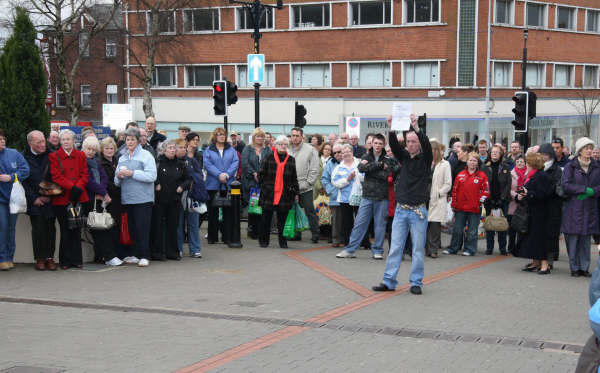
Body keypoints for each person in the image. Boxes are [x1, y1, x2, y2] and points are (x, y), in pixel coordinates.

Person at [372, 115, 432, 295]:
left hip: (418, 211)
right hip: (401, 210)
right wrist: (391, 128)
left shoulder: (425, 159)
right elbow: (395, 146)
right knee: (395, 248)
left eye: (414, 141)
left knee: (417, 250)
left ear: (419, 143)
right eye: (409, 142)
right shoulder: (404, 157)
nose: (412, 144)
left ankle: (416, 282)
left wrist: (416, 127)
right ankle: (388, 281)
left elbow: (427, 145)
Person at [336, 134, 395, 260]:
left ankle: (377, 250)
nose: (378, 145)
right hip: (367, 196)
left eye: (380, 143)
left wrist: (370, 169)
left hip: (382, 197)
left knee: (380, 225)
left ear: (383, 145)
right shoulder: (366, 156)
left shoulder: (387, 158)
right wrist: (378, 165)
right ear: (372, 144)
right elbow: (361, 168)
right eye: (376, 143)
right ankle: (350, 249)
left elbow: (386, 175)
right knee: (359, 223)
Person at [115, 127, 157, 267]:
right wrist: (119, 176)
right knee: (131, 228)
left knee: (142, 228)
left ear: (138, 141)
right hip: (127, 198)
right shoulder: (122, 157)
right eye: (127, 139)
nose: (130, 142)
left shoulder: (146, 156)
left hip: (143, 199)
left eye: (133, 139)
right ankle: (135, 254)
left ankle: (145, 255)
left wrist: (132, 173)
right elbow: (116, 181)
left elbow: (152, 176)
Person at [49, 129, 88, 270]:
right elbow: (56, 176)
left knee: (76, 230)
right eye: (63, 139)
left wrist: (78, 187)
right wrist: (72, 187)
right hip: (62, 199)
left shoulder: (81, 155)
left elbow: (85, 173)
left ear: (73, 140)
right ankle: (65, 260)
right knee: (65, 229)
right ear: (60, 141)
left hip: (78, 198)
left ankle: (77, 260)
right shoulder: (54, 156)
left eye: (68, 139)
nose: (66, 142)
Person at [561, 137, 600, 277]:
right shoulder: (570, 167)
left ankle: (584, 267)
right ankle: (574, 267)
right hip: (574, 207)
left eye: (591, 148)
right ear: (579, 151)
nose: (589, 151)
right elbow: (566, 185)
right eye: (586, 148)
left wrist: (593, 191)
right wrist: (583, 190)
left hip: (590, 207)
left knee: (585, 240)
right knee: (573, 239)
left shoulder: (596, 166)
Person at [82, 136, 121, 266]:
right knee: (99, 229)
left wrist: (102, 192)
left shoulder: (95, 162)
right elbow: (88, 181)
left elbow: (103, 177)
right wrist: (103, 193)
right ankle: (108, 256)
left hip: (99, 199)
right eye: (89, 149)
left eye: (93, 149)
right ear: (84, 148)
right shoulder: (82, 162)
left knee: (103, 228)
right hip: (88, 199)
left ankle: (108, 256)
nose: (91, 152)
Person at [513, 152, 554, 274]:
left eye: (527, 162)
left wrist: (528, 193)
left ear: (532, 163)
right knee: (533, 238)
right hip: (532, 211)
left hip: (540, 213)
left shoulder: (541, 176)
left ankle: (544, 264)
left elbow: (544, 194)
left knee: (540, 239)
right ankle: (536, 262)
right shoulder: (532, 175)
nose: (525, 164)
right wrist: (521, 196)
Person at [443, 152, 489, 257]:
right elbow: (454, 190)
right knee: (457, 230)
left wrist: (480, 202)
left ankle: (470, 249)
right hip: (460, 208)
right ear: (467, 162)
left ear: (477, 163)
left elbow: (486, 191)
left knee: (472, 231)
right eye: (470, 160)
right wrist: (453, 204)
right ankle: (453, 248)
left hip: (474, 209)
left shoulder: (482, 176)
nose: (472, 162)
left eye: (474, 161)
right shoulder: (460, 175)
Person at [22, 131, 56, 271]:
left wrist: (49, 194)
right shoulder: (23, 157)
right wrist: (34, 198)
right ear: (31, 144)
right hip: (34, 200)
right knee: (38, 229)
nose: (43, 145)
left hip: (50, 199)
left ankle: (50, 258)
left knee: (50, 229)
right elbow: (23, 181)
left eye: (43, 141)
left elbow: (57, 176)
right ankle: (40, 258)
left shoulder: (52, 154)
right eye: (39, 142)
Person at [258, 135, 299, 248]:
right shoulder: (268, 157)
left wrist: (295, 192)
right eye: (281, 144)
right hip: (269, 193)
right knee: (266, 218)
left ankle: (283, 242)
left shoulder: (291, 160)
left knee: (282, 220)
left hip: (284, 194)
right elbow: (261, 174)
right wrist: (265, 187)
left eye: (285, 145)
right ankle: (263, 241)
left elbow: (294, 177)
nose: (283, 146)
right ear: (276, 146)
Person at [152, 140, 191, 260]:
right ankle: (157, 252)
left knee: (173, 227)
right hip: (160, 200)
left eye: (174, 147)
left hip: (174, 200)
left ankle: (172, 252)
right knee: (158, 227)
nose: (173, 150)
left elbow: (188, 179)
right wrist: (156, 183)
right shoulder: (158, 163)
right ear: (164, 150)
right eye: (170, 148)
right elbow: (152, 175)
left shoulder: (181, 164)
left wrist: (182, 187)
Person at [0, 130, 30, 271]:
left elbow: (25, 170)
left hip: (13, 199)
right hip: (1, 200)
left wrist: (12, 177)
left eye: (3, 139)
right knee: (3, 227)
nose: (2, 141)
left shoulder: (14, 153)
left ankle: (9, 258)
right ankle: (3, 258)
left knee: (11, 229)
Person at [203, 127, 239, 244]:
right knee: (213, 212)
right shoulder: (209, 150)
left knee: (228, 212)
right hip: (213, 185)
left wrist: (227, 175)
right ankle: (212, 237)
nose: (222, 136)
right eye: (219, 134)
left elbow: (235, 162)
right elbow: (207, 164)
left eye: (223, 134)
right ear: (215, 136)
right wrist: (219, 175)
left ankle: (227, 237)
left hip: (228, 185)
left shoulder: (231, 150)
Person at [289, 127, 320, 243]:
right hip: (291, 187)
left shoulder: (310, 150)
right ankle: (297, 233)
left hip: (305, 186)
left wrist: (308, 183)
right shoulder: (288, 149)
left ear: (302, 136)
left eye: (297, 135)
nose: (295, 138)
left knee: (309, 211)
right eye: (293, 135)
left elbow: (314, 169)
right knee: (294, 210)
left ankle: (315, 233)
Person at [178, 138, 207, 258]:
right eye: (180, 147)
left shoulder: (192, 161)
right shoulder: (173, 162)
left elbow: (200, 176)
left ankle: (195, 249)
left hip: (192, 195)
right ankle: (178, 248)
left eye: (184, 147)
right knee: (178, 225)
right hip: (178, 197)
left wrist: (190, 178)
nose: (182, 150)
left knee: (193, 224)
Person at [241, 128, 270, 239]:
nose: (260, 138)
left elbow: (270, 163)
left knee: (262, 207)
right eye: (257, 136)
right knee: (253, 206)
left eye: (262, 136)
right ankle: (252, 230)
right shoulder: (247, 149)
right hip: (250, 182)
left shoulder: (267, 150)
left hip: (263, 183)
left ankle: (260, 231)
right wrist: (254, 173)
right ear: (253, 137)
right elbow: (244, 164)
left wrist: (261, 174)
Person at [482, 145, 511, 255]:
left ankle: (502, 248)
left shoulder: (505, 167)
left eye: (497, 152)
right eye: (493, 152)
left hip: (501, 201)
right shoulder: (485, 167)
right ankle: (489, 248)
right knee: (490, 224)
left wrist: (502, 198)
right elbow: (483, 184)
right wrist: (488, 198)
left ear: (500, 154)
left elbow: (508, 183)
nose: (494, 154)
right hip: (489, 201)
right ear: (490, 154)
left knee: (501, 224)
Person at [538, 143, 563, 268]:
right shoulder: (538, 168)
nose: (544, 157)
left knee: (552, 234)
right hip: (540, 206)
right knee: (540, 234)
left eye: (546, 155)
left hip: (553, 206)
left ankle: (550, 260)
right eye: (541, 154)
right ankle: (539, 259)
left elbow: (555, 187)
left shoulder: (556, 169)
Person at [99, 137, 124, 261]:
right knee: (108, 228)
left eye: (111, 148)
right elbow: (108, 183)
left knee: (117, 227)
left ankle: (116, 253)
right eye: (106, 148)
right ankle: (108, 256)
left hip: (118, 199)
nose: (109, 150)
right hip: (108, 199)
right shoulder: (101, 163)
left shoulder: (118, 161)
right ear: (102, 150)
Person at [330, 144, 361, 246]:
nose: (346, 154)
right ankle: (348, 242)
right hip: (344, 198)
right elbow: (335, 182)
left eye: (348, 151)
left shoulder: (359, 164)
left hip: (359, 197)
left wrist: (357, 176)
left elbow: (365, 177)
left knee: (360, 221)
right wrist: (347, 179)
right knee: (347, 222)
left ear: (352, 152)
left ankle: (363, 241)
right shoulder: (338, 168)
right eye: (344, 152)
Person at [425, 140, 452, 258]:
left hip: (437, 198)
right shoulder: (425, 162)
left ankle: (433, 249)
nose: (432, 152)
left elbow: (448, 183)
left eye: (434, 149)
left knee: (435, 226)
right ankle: (426, 249)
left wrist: (439, 193)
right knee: (425, 225)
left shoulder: (444, 164)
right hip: (424, 197)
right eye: (430, 149)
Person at [321, 143, 343, 247]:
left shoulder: (349, 162)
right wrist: (331, 191)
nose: (337, 154)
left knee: (348, 218)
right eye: (335, 153)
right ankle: (336, 239)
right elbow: (325, 179)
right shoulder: (330, 163)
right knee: (336, 220)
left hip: (348, 196)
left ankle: (347, 239)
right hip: (335, 196)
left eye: (339, 152)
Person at [507, 154, 526, 254]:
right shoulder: (511, 173)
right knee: (512, 228)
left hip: (524, 204)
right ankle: (511, 247)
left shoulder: (528, 173)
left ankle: (520, 248)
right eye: (518, 162)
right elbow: (508, 188)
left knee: (521, 227)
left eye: (521, 162)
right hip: (513, 203)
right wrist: (515, 195)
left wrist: (523, 195)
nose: (519, 163)